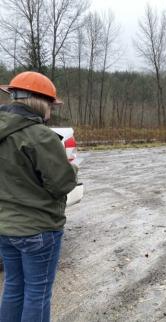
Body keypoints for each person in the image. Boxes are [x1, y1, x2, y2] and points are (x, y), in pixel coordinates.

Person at [0, 71, 77, 322]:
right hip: (38, 229)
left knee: (13, 287)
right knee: (37, 292)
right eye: (51, 105)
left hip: (5, 226)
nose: (51, 111)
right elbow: (62, 184)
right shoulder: (42, 136)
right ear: (40, 102)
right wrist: (72, 167)